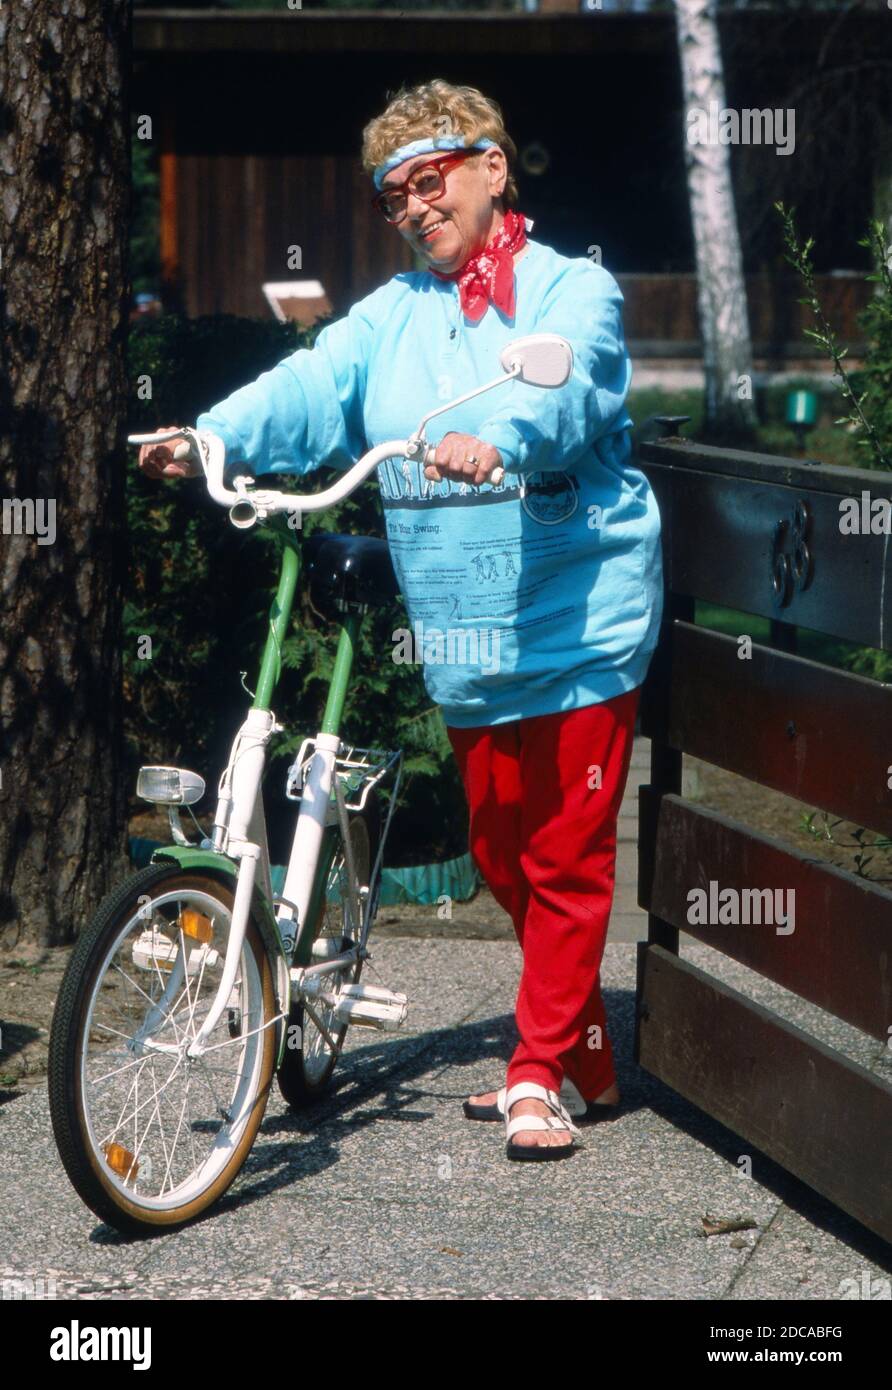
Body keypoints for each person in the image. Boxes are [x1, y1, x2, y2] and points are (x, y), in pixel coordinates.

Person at [138, 78, 664, 1161]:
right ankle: (584, 1049)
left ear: (490, 169)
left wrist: (506, 436)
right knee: (498, 851)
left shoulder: (574, 290)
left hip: (576, 623)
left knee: (564, 860)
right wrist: (210, 437)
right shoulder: (391, 316)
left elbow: (569, 391)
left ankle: (532, 1071)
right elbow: (313, 382)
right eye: (393, 195)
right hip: (465, 632)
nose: (415, 206)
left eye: (431, 181)